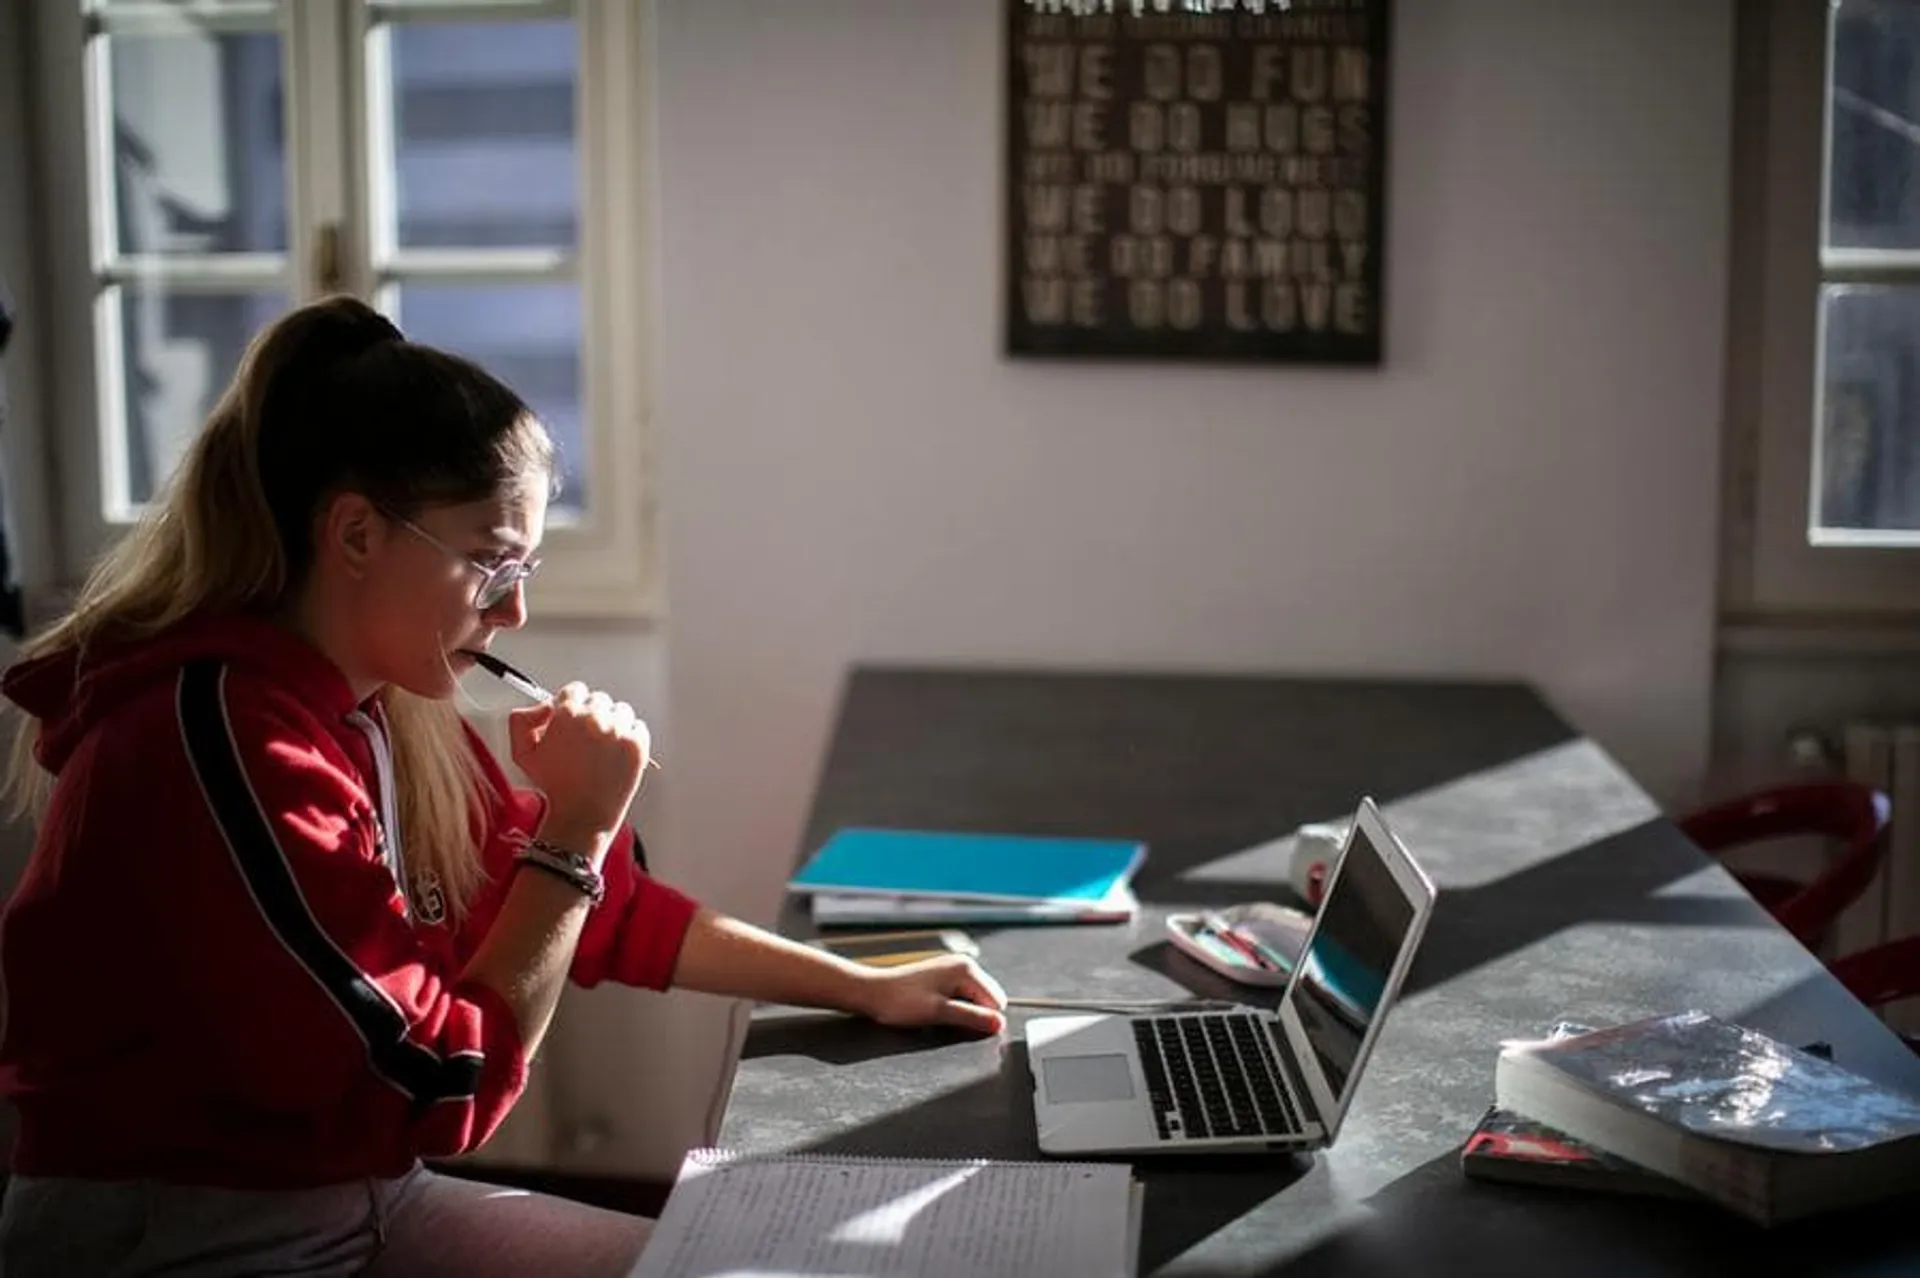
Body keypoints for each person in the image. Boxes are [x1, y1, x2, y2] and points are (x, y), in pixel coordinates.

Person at [0, 296, 1008, 1277]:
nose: (516, 610)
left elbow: (608, 922)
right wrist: (575, 828)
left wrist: (862, 984)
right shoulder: (216, 743)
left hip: (365, 1197)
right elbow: (443, 1085)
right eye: (489, 564)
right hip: (185, 1239)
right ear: (355, 535)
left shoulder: (382, 705)